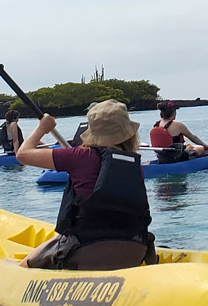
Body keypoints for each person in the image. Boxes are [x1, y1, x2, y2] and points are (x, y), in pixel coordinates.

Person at [15, 100, 156, 270]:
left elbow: (22, 154)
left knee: (23, 264)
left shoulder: (78, 156)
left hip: (87, 250)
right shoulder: (133, 166)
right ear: (128, 133)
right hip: (134, 250)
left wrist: (43, 128)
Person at [149, 100, 208, 164]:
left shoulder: (157, 124)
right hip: (177, 159)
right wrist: (206, 146)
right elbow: (193, 138)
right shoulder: (178, 125)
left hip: (163, 158)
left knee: (189, 146)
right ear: (173, 113)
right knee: (201, 148)